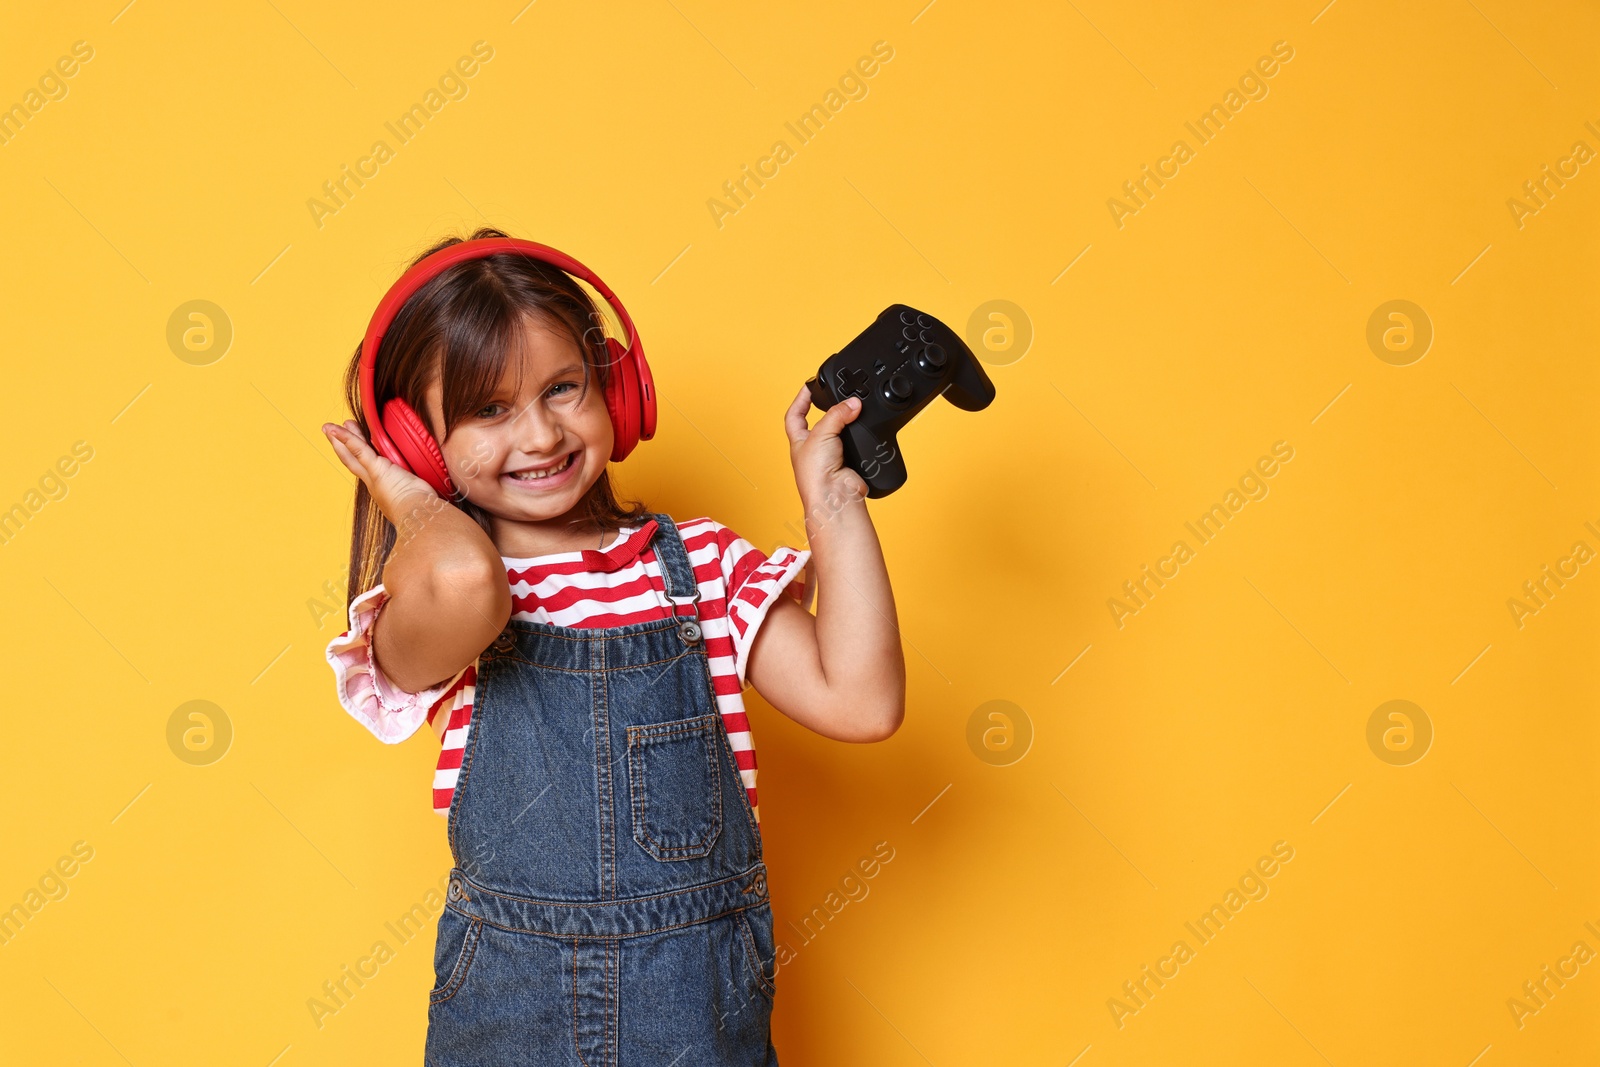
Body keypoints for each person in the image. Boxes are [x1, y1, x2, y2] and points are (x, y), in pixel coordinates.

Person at [320, 227, 905, 1065]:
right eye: (488, 409)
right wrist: (410, 500)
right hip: (510, 1016)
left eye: (563, 388)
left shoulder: (701, 566)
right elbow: (466, 581)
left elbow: (862, 700)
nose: (542, 435)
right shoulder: (437, 602)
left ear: (617, 388)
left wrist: (833, 505)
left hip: (696, 1007)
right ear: (418, 443)